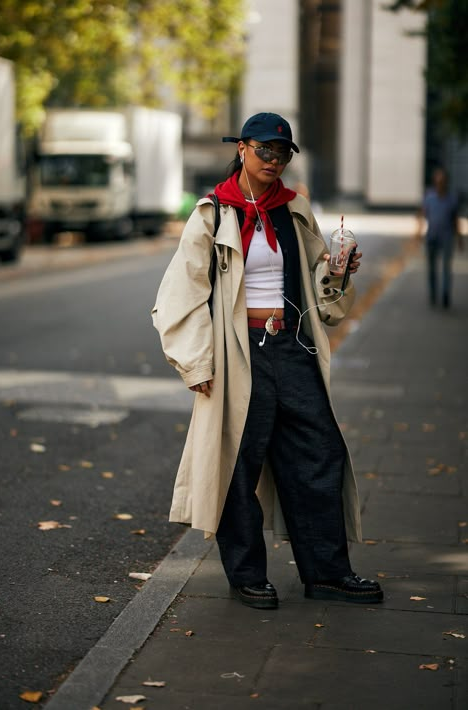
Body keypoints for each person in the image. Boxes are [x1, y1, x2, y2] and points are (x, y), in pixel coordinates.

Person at [152, 112, 383, 609]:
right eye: (264, 150)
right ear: (242, 149)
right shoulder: (213, 212)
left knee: (320, 454)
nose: (274, 160)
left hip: (292, 348)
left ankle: (326, 574)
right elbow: (180, 295)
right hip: (240, 354)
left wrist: (339, 273)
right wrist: (197, 363)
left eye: (282, 153)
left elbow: (325, 294)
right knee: (238, 465)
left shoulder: (295, 209)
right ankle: (247, 575)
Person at [417, 167, 462, 308]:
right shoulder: (429, 197)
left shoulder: (452, 199)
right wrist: (418, 234)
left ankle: (445, 295)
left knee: (446, 268)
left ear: (446, 181)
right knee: (431, 268)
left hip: (447, 237)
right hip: (432, 237)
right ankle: (433, 295)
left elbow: (455, 220)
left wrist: (459, 238)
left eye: (442, 179)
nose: (440, 182)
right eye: (438, 179)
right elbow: (423, 215)